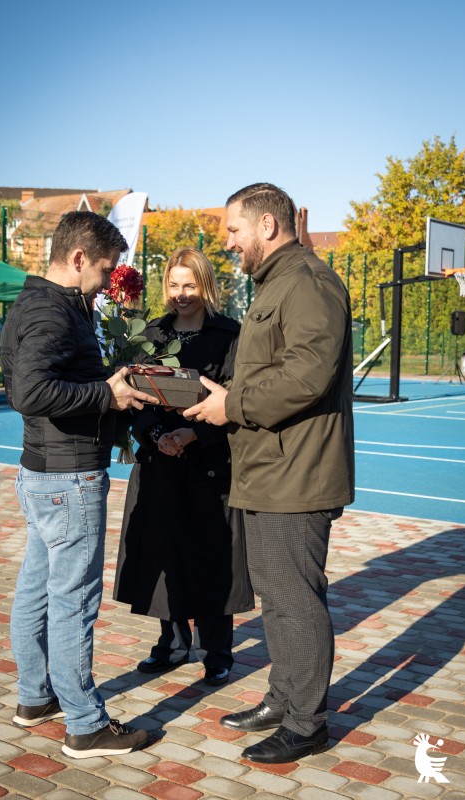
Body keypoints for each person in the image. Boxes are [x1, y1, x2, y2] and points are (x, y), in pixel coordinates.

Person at [183, 183, 355, 764]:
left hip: (296, 475)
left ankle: (307, 724)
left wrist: (229, 406)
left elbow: (307, 375)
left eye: (233, 230)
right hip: (267, 471)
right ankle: (285, 698)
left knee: (296, 600)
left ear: (267, 224)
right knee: (276, 598)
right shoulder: (276, 283)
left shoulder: (308, 283)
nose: (227, 242)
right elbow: (272, 374)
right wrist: (225, 395)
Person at [1, 212, 158, 760]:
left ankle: (34, 696)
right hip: (67, 479)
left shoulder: (32, 303)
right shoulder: (52, 311)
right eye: (105, 268)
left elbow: (25, 380)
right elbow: (29, 391)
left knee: (37, 588)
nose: (108, 279)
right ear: (77, 260)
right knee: (73, 602)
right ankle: (86, 725)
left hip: (41, 473)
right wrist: (105, 397)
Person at [114, 248, 254, 685]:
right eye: (174, 285)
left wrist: (193, 434)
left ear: (206, 285)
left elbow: (236, 398)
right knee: (163, 551)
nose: (181, 294)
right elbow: (134, 397)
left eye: (190, 285)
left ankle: (217, 650)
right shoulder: (152, 333)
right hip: (160, 461)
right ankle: (171, 644)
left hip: (211, 462)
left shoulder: (232, 334)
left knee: (213, 554)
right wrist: (157, 435)